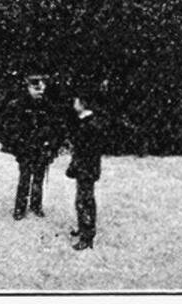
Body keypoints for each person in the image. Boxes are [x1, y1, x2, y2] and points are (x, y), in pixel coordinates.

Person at [0, 73, 65, 220]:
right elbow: (10, 127)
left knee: (39, 178)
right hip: (25, 148)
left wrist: (51, 146)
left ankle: (36, 205)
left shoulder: (48, 106)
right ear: (28, 88)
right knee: (24, 178)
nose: (40, 91)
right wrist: (17, 145)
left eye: (42, 88)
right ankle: (20, 208)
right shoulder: (18, 105)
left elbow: (57, 127)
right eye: (36, 88)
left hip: (42, 148)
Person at [66, 90, 103, 250]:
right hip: (87, 168)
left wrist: (75, 166)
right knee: (82, 200)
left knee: (84, 202)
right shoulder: (88, 123)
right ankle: (83, 229)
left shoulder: (89, 126)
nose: (73, 105)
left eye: (75, 102)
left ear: (82, 104)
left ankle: (87, 236)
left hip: (86, 169)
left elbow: (84, 151)